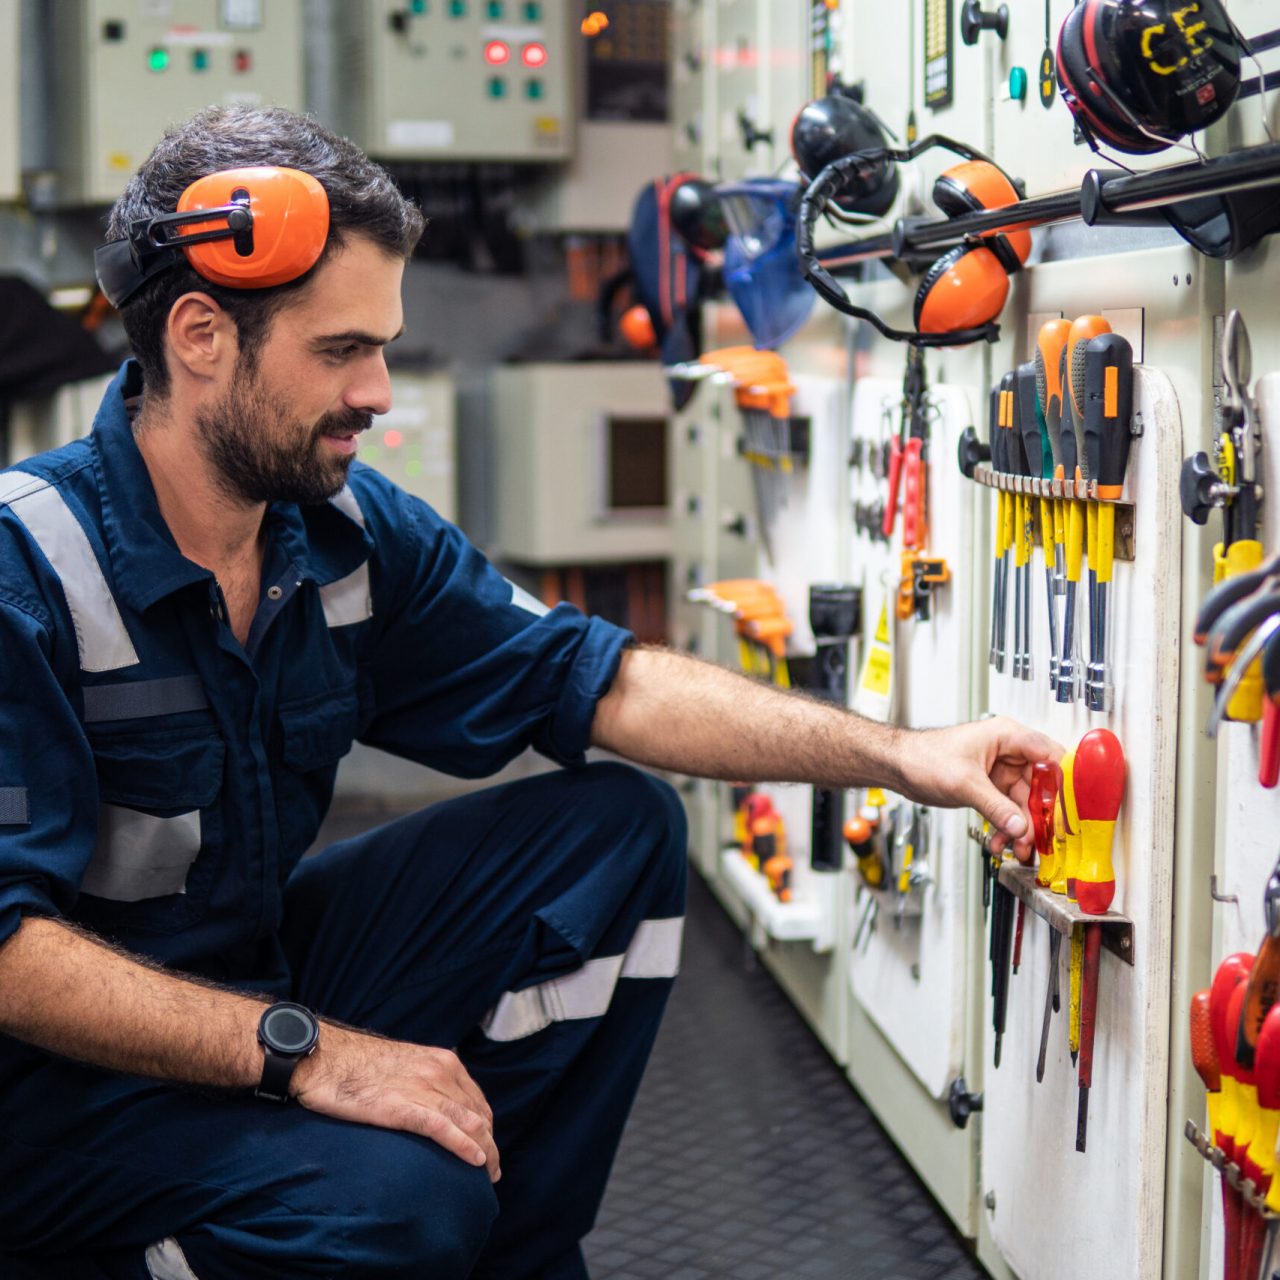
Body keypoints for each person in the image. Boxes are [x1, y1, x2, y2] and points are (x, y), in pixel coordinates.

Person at [0, 106, 1056, 1280]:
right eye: (341, 349)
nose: (379, 390)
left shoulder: (337, 535)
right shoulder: (25, 568)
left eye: (383, 346)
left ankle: (511, 1260)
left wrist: (904, 755)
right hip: (48, 1094)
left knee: (616, 832)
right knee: (403, 1207)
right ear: (200, 333)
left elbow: (595, 679)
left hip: (242, 979)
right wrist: (309, 1053)